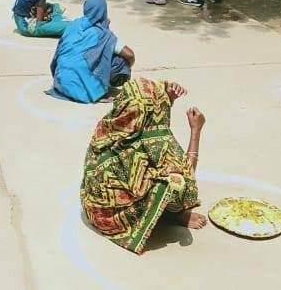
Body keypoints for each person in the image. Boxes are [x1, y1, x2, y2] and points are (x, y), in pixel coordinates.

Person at [80, 78, 208, 254]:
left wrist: (166, 96)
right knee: (176, 184)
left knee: (157, 172)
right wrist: (196, 131)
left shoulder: (110, 127)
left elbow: (141, 99)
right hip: (114, 220)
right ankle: (171, 215)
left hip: (95, 207)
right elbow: (186, 174)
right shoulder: (147, 145)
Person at [47, 0, 134, 104]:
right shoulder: (103, 33)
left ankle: (89, 84)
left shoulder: (74, 25)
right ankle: (96, 90)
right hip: (81, 92)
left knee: (86, 55)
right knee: (120, 61)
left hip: (61, 83)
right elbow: (130, 54)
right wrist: (128, 67)